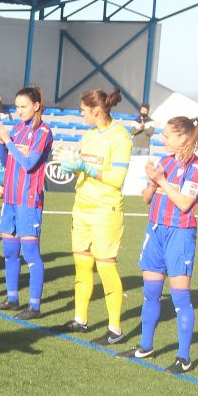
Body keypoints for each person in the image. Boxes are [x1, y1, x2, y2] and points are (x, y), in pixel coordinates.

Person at [125, 116, 198, 374]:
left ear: (182, 138)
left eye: (167, 135)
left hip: (179, 235)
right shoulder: (165, 162)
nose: (163, 139)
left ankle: (184, 358)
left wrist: (161, 181)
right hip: (155, 231)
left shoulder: (196, 167)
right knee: (151, 293)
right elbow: (146, 198)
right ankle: (145, 346)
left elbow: (184, 203)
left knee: (180, 298)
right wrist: (152, 182)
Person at [58, 88, 134, 344]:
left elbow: (117, 179)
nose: (81, 114)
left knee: (105, 267)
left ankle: (115, 329)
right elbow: (83, 172)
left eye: (83, 110)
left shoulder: (120, 136)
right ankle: (80, 319)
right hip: (82, 208)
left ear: (96, 110)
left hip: (105, 210)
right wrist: (72, 167)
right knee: (82, 266)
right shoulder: (88, 135)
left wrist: (86, 167)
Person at [0, 87, 54, 318]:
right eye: (16, 107)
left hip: (29, 199)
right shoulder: (17, 128)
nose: (19, 111)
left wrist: (8, 141)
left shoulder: (43, 131)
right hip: (11, 199)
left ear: (36, 106)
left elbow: (28, 164)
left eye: (23, 106)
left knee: (30, 253)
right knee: (10, 251)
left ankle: (34, 306)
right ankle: (12, 299)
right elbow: (7, 163)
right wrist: (1, 143)